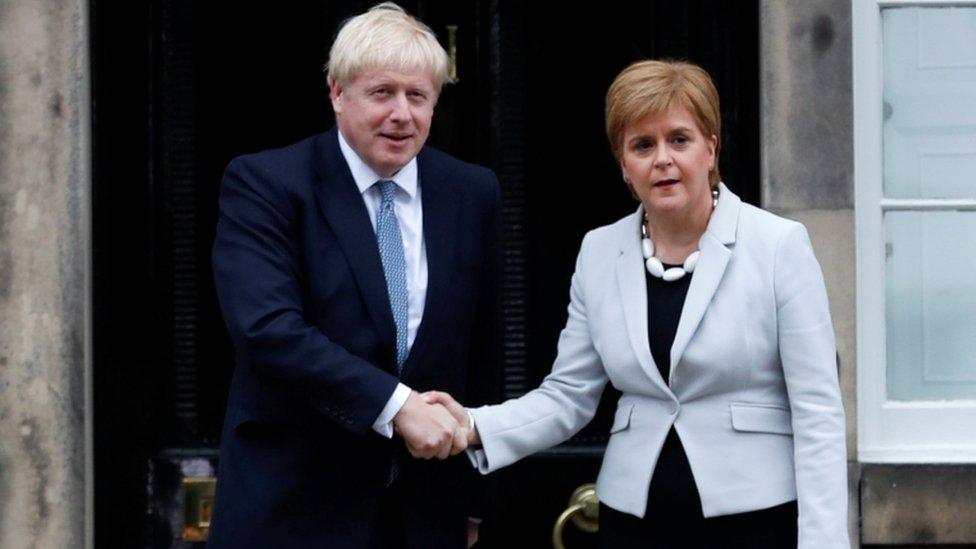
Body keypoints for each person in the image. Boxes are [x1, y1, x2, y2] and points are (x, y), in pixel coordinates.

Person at [426, 60, 849, 548]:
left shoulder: (779, 245)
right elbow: (568, 396)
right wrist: (473, 423)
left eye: (680, 139)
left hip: (756, 521)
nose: (663, 159)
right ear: (624, 165)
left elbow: (817, 410)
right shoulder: (600, 251)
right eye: (642, 145)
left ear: (711, 149)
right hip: (634, 523)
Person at [208, 4, 500, 548]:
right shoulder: (267, 184)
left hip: (423, 510)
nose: (401, 114)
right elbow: (267, 328)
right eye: (381, 93)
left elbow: (480, 351)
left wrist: (473, 498)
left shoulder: (471, 192)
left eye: (417, 96)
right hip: (294, 506)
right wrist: (398, 406)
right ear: (337, 94)